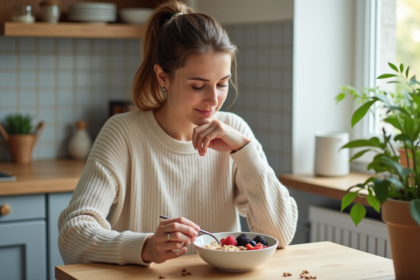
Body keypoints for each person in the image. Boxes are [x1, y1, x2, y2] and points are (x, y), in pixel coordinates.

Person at [58, 0, 298, 266]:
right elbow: (71, 236)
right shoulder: (123, 133)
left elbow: (280, 236)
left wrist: (244, 151)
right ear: (163, 77)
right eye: (198, 86)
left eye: (222, 84)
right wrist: (145, 247)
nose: (213, 100)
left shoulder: (236, 131)